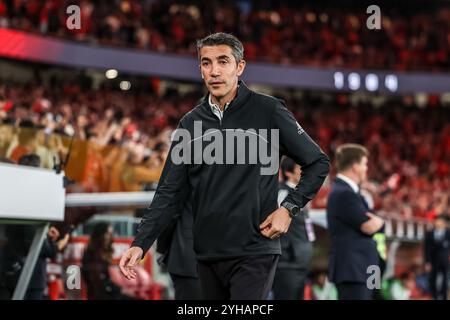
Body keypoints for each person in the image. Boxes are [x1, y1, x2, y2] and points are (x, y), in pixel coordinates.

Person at [120, 32, 330, 300]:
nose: (214, 71)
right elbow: (168, 193)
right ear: (200, 69)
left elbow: (318, 162)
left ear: (239, 67)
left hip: (256, 249)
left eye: (223, 61)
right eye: (206, 63)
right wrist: (140, 244)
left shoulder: (269, 111)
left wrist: (288, 209)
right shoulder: (190, 124)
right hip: (206, 254)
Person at [0, 154, 70, 300]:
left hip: (16, 273)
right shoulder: (28, 202)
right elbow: (39, 246)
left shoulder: (13, 197)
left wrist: (45, 233)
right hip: (27, 278)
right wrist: (57, 245)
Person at [326, 144, 384, 300]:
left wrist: (378, 222)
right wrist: (380, 222)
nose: (367, 168)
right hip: (354, 270)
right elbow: (369, 226)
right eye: (365, 163)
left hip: (366, 268)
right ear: (355, 166)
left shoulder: (351, 192)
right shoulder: (344, 193)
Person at [272, 157, 315, 300]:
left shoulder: (299, 193)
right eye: (299, 169)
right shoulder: (283, 193)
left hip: (299, 260)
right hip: (288, 261)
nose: (304, 172)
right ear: (288, 173)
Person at [81, 222, 134, 300]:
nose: (110, 237)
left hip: (108, 293)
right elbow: (99, 282)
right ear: (100, 235)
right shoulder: (93, 255)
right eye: (108, 233)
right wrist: (120, 290)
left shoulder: (101, 254)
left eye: (111, 234)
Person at [424, 215, 449, 300]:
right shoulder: (430, 233)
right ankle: (434, 296)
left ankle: (444, 296)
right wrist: (427, 261)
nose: (438, 223)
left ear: (444, 223)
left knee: (445, 280)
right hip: (433, 260)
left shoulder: (448, 233)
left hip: (445, 260)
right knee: (433, 279)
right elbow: (426, 248)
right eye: (437, 221)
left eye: (440, 221)